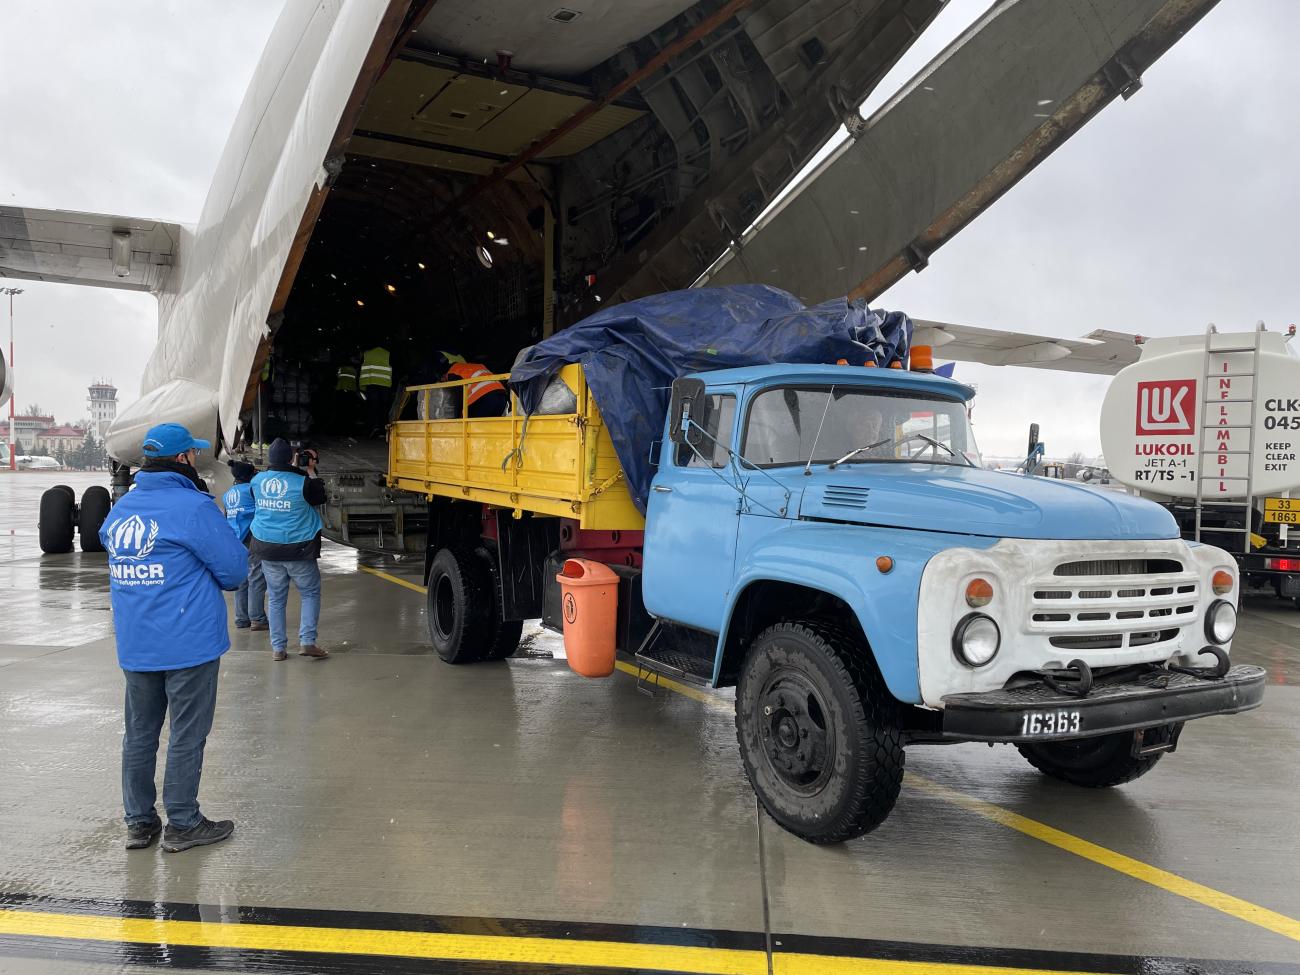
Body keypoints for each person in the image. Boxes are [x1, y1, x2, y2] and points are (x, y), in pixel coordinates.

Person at [100, 422, 249, 853]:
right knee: (186, 734)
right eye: (193, 455)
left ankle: (139, 822)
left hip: (137, 644)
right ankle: (183, 823)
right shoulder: (193, 508)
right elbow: (235, 572)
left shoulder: (122, 509)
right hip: (189, 644)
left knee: (140, 734)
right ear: (183, 459)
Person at [250, 438, 328, 661]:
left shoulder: (257, 480)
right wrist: (311, 469)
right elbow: (320, 497)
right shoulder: (301, 481)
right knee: (310, 593)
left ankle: (278, 648)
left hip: (267, 548)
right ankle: (307, 642)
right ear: (291, 458)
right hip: (298, 549)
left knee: (275, 598)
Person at [221, 460, 267, 631]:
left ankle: (242, 619)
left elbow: (227, 518)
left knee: (242, 580)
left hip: (235, 540)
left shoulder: (228, 494)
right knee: (256, 577)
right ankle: (258, 618)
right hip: (252, 537)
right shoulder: (251, 490)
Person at [359, 345, 393, 434]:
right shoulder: (388, 354)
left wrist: (362, 387)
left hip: (371, 384)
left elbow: (362, 371)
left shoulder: (367, 354)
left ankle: (372, 428)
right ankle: (383, 429)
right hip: (385, 385)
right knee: (384, 408)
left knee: (371, 408)